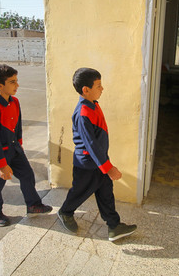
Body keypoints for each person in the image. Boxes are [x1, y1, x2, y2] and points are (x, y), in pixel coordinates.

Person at [57, 67, 137, 242]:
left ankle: (114, 226)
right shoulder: (82, 113)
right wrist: (108, 168)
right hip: (87, 164)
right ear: (86, 90)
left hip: (99, 162)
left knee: (106, 193)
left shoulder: (92, 105)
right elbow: (91, 145)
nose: (102, 89)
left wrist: (105, 165)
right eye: (99, 86)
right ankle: (65, 212)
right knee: (80, 192)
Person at [0, 64, 52, 226]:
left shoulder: (14, 102)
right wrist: (1, 165)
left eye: (16, 81)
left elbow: (17, 126)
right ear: (0, 86)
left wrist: (19, 146)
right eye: (12, 82)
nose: (17, 85)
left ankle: (33, 204)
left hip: (14, 149)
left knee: (27, 174)